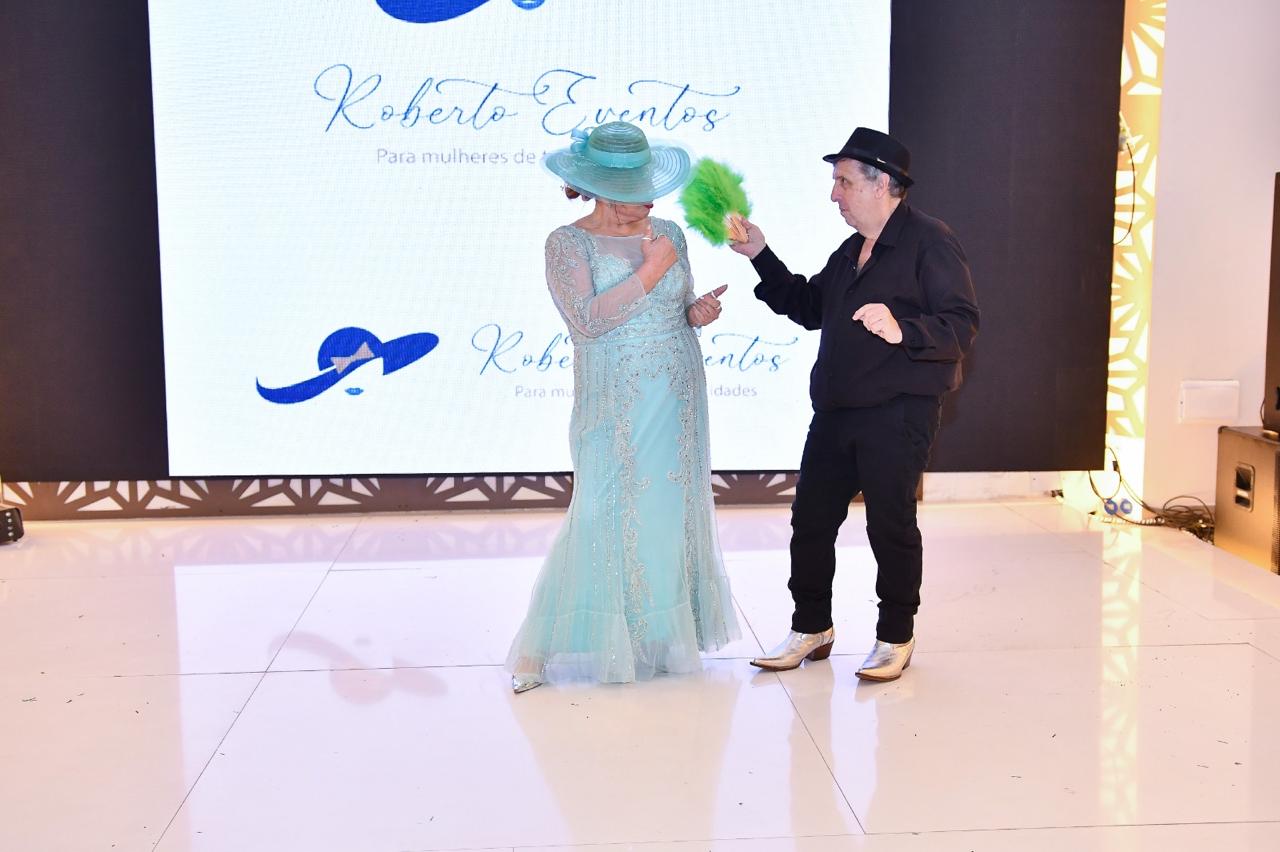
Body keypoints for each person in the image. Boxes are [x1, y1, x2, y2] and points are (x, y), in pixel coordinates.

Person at [730, 127, 979, 682]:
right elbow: (808, 306)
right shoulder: (850, 251)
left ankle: (895, 635)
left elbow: (961, 324)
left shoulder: (930, 241)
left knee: (890, 524)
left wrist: (903, 327)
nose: (834, 194)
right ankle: (811, 627)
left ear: (882, 183)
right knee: (811, 521)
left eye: (843, 182)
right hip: (836, 410)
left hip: (899, 411)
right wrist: (760, 255)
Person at [506, 122, 740, 693]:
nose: (651, 200)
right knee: (600, 505)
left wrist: (698, 312)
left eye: (650, 186)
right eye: (637, 189)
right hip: (614, 394)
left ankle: (655, 634)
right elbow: (588, 320)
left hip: (677, 388)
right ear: (604, 190)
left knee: (666, 507)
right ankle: (538, 647)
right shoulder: (567, 243)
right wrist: (651, 269)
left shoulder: (669, 233)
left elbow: (677, 306)